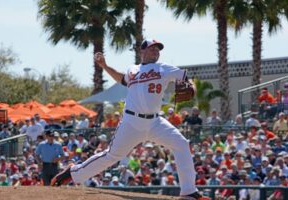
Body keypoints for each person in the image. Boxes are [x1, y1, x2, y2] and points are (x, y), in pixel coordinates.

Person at [51, 39, 201, 199]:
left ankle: (189, 192)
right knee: (112, 156)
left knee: (182, 144)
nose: (156, 51)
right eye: (152, 48)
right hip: (131, 123)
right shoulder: (133, 69)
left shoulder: (164, 68)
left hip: (155, 122)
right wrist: (105, 66)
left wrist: (192, 87)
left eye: (158, 49)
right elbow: (121, 78)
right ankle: (73, 173)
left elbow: (187, 78)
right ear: (142, 51)